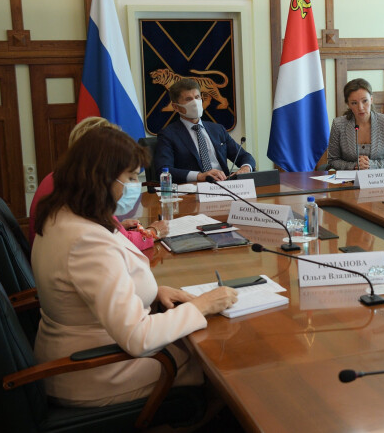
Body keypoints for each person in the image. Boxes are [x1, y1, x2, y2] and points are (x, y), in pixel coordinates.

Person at [32, 127, 238, 406]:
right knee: (222, 361)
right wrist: (202, 305)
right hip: (99, 371)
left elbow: (93, 289)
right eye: (130, 177)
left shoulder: (65, 214)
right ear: (101, 178)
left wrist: (154, 292)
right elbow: (138, 337)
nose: (134, 186)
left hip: (93, 350)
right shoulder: (86, 240)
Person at [28, 117, 169, 248]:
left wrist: (117, 226)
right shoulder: (85, 185)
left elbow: (100, 227)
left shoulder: (62, 176)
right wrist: (154, 231)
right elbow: (122, 243)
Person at [155, 78, 254, 184]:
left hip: (225, 185)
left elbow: (244, 156)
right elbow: (164, 170)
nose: (195, 102)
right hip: (195, 189)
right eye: (188, 99)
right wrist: (199, 176)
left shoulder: (217, 129)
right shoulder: (168, 135)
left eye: (197, 97)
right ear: (176, 107)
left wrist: (246, 168)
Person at [327, 78, 384, 170]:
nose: (360, 107)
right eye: (354, 103)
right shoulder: (338, 124)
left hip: (379, 177)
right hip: (350, 177)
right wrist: (354, 166)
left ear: (371, 99)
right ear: (348, 104)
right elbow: (333, 159)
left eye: (365, 101)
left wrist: (371, 165)